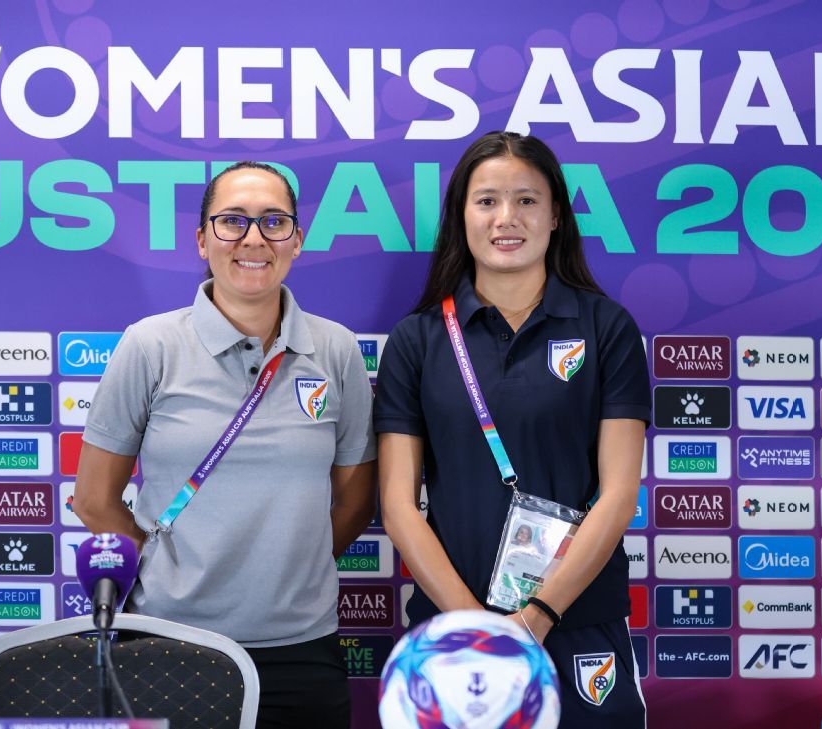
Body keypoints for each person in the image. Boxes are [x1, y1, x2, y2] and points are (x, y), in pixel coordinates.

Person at [73, 161, 377, 729]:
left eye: (273, 222)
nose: (253, 239)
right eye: (232, 221)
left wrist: (287, 569)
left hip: (302, 651)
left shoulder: (336, 350)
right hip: (169, 641)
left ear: (297, 240)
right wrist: (171, 572)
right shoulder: (150, 345)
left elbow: (357, 502)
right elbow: (94, 499)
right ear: (202, 239)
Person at [375, 132, 649, 727]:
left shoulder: (607, 328)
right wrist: (478, 628)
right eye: (487, 201)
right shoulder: (416, 340)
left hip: (577, 624)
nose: (507, 218)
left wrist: (536, 616)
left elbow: (619, 492)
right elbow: (398, 506)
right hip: (452, 637)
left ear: (555, 215)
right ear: (461, 216)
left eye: (527, 200)